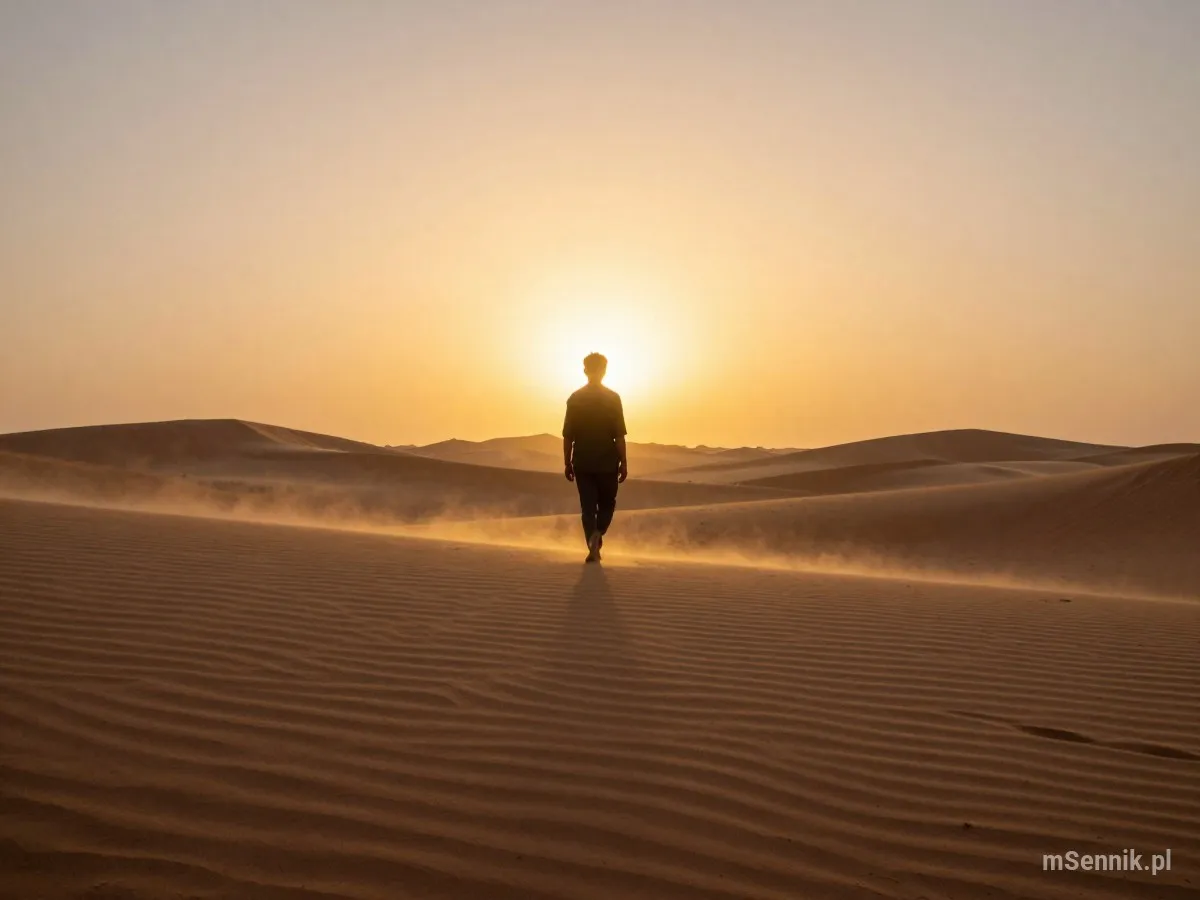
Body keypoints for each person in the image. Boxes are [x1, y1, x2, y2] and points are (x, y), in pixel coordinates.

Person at [562, 352, 628, 562]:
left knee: (588, 508)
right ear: (605, 371)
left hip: (583, 461)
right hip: (607, 463)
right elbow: (619, 436)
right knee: (607, 504)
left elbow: (568, 436)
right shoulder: (613, 398)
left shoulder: (575, 398)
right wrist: (624, 462)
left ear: (585, 370)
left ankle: (593, 543)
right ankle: (598, 534)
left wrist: (567, 462)